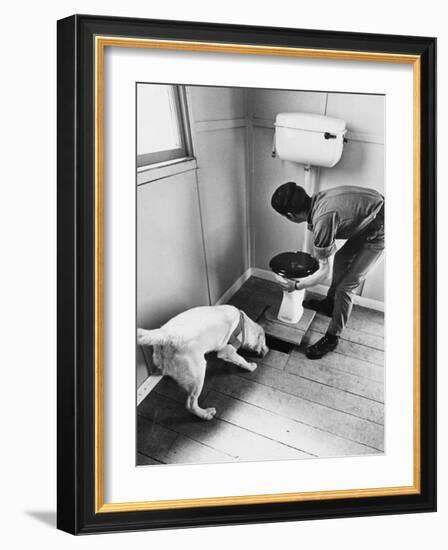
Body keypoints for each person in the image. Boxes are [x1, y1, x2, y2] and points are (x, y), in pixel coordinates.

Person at [271, 182, 384, 359]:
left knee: (346, 287)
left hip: (379, 229)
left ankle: (332, 338)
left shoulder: (323, 218)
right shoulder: (318, 200)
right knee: (341, 258)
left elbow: (325, 272)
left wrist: (297, 285)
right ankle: (330, 303)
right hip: (369, 219)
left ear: (290, 215)